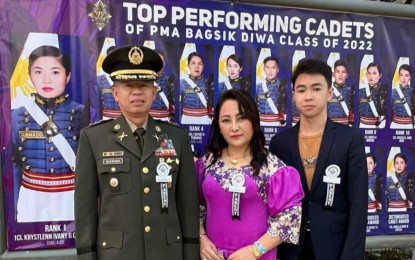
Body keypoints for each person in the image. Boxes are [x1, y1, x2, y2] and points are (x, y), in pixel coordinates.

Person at [74, 45, 199, 259]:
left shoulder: (177, 138)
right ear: (115, 93)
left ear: (154, 91)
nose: (137, 91)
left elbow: (188, 205)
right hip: (116, 254)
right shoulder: (93, 139)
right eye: (128, 85)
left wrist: (191, 253)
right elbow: (85, 210)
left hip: (167, 252)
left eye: (143, 85)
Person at [270, 59, 368, 260]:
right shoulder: (280, 143)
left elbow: (358, 206)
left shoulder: (350, 140)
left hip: (334, 248)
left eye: (316, 88)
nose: (309, 96)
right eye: (302, 90)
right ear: (294, 95)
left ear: (329, 93)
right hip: (290, 249)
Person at [197, 89, 304, 260]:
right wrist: (201, 238)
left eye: (241, 118)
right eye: (226, 120)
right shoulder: (207, 163)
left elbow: (290, 217)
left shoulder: (272, 167)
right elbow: (194, 207)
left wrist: (255, 250)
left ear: (253, 120)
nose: (234, 127)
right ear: (219, 126)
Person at [12, 45, 85, 222]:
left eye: (55, 72)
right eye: (38, 72)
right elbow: (12, 167)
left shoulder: (84, 114)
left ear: (67, 76)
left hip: (72, 198)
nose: (46, 80)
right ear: (29, 76)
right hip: (30, 200)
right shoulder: (14, 117)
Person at [180, 52, 213, 125]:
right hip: (186, 119)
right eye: (193, 63)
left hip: (204, 120)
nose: (196, 67)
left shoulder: (208, 83)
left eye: (200, 64)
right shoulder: (181, 83)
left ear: (203, 66)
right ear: (188, 65)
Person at [256, 56, 287, 126]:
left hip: (277, 123)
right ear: (264, 69)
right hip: (260, 123)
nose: (270, 71)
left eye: (273, 68)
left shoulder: (282, 86)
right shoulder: (258, 86)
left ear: (277, 70)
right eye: (267, 67)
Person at [358, 62, 388, 128]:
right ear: (366, 74)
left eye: (374, 73)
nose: (371, 76)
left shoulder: (384, 91)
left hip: (378, 126)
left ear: (380, 75)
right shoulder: (360, 91)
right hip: (362, 125)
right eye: (369, 73)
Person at [150, 51, 175, 122]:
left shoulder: (170, 80)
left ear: (164, 63)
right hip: (147, 121)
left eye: (161, 61)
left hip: (165, 121)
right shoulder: (145, 80)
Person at [328, 60, 355, 126]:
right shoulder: (327, 90)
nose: (340, 75)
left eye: (343, 72)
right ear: (333, 74)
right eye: (338, 72)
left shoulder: (351, 91)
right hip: (330, 128)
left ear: (347, 75)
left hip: (346, 128)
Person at [391, 64, 414, 129]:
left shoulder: (413, 92)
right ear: (398, 76)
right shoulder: (392, 92)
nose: (404, 78)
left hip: (409, 126)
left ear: (410, 77)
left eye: (407, 75)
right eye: (401, 75)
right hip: (394, 125)